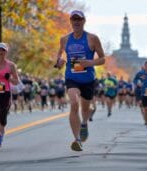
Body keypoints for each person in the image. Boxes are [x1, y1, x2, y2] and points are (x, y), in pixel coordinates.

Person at [54, 10, 105, 151]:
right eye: (73, 19)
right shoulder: (64, 39)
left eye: (79, 19)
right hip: (72, 78)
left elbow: (102, 59)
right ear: (70, 21)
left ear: (84, 21)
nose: (76, 21)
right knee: (74, 103)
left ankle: (84, 123)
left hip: (88, 79)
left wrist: (89, 63)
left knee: (85, 108)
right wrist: (59, 62)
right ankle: (77, 139)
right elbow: (61, 54)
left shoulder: (92, 38)